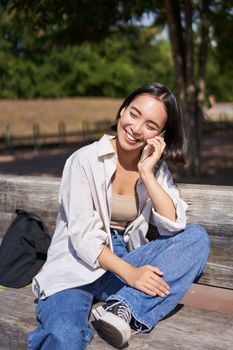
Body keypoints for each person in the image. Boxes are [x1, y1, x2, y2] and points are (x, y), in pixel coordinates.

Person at [28, 82, 210, 350]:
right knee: (64, 335)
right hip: (76, 268)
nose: (136, 129)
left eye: (150, 125)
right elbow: (82, 238)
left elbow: (174, 226)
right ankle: (119, 304)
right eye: (134, 114)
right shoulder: (84, 160)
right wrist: (132, 275)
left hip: (124, 263)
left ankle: (121, 310)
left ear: (160, 135)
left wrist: (147, 173)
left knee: (197, 237)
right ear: (122, 111)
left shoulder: (154, 169)